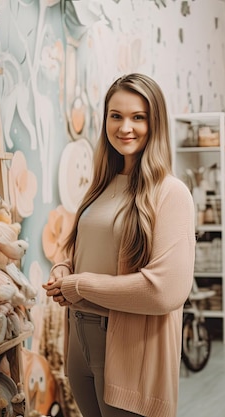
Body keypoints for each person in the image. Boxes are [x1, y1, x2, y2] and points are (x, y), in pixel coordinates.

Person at [43, 73, 196, 417]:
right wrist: (64, 269)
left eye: (138, 117)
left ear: (155, 123)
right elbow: (80, 248)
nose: (125, 127)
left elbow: (165, 291)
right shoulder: (101, 185)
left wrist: (79, 284)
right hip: (80, 334)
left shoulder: (171, 193)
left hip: (128, 342)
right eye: (116, 116)